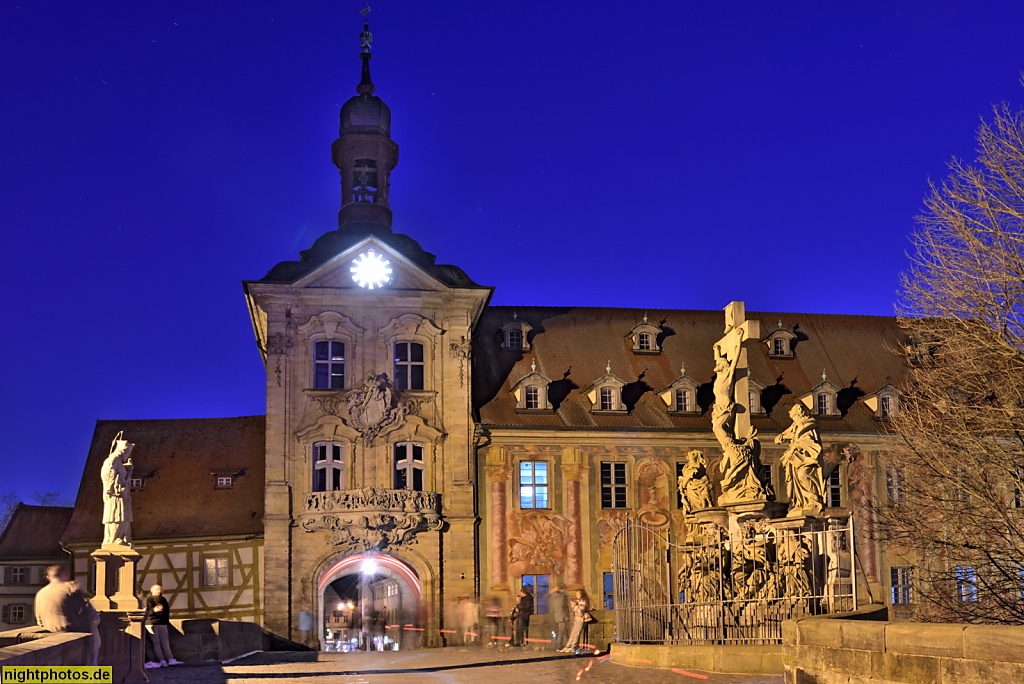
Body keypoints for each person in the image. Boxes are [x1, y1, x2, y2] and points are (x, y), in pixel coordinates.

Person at [35, 565, 100, 665]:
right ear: (65, 574)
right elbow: (87, 614)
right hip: (76, 637)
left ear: (48, 577)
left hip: (52, 639)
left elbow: (39, 620)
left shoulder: (41, 593)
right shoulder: (71, 588)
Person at [143, 584, 181, 668]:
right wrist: (153, 610)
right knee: (156, 643)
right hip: (152, 623)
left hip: (162, 622)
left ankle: (170, 659)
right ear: (152, 590)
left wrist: (166, 622)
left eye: (160, 589)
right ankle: (161, 660)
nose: (159, 591)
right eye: (157, 589)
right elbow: (146, 611)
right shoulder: (148, 599)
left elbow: (167, 612)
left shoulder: (163, 599)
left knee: (165, 642)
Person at [560, 588, 591, 653]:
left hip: (581, 619)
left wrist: (574, 605)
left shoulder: (584, 601)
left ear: (581, 594)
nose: (576, 595)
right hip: (577, 619)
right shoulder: (578, 601)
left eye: (577, 594)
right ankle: (568, 646)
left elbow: (580, 611)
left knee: (576, 633)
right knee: (573, 633)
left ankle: (573, 646)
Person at [550, 585, 570, 650]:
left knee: (564, 630)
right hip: (563, 616)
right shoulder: (563, 596)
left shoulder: (554, 596)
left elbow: (552, 591)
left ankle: (568, 643)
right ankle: (559, 645)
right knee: (562, 631)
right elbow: (564, 607)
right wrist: (567, 616)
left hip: (557, 616)